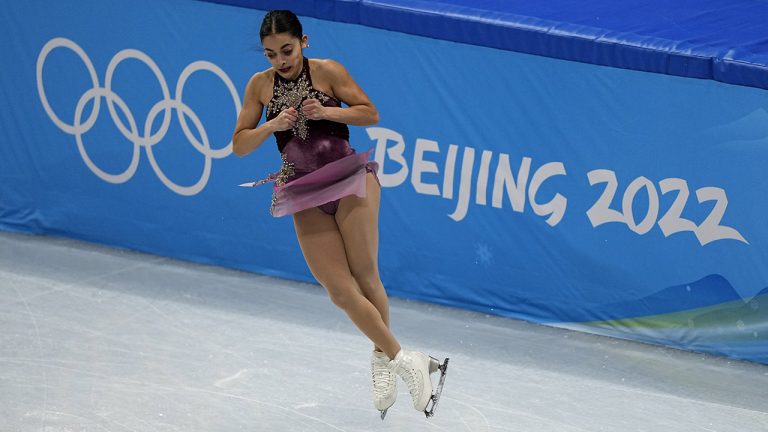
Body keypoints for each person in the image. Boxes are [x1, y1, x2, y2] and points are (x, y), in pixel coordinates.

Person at [231, 10, 447, 418]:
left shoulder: (327, 71)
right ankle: (404, 360)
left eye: (287, 50)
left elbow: (370, 112)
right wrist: (271, 124)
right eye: (271, 54)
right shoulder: (259, 86)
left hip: (350, 179)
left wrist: (328, 112)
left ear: (303, 42)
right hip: (303, 190)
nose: (280, 60)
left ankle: (383, 362)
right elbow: (238, 144)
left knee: (365, 277)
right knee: (338, 290)